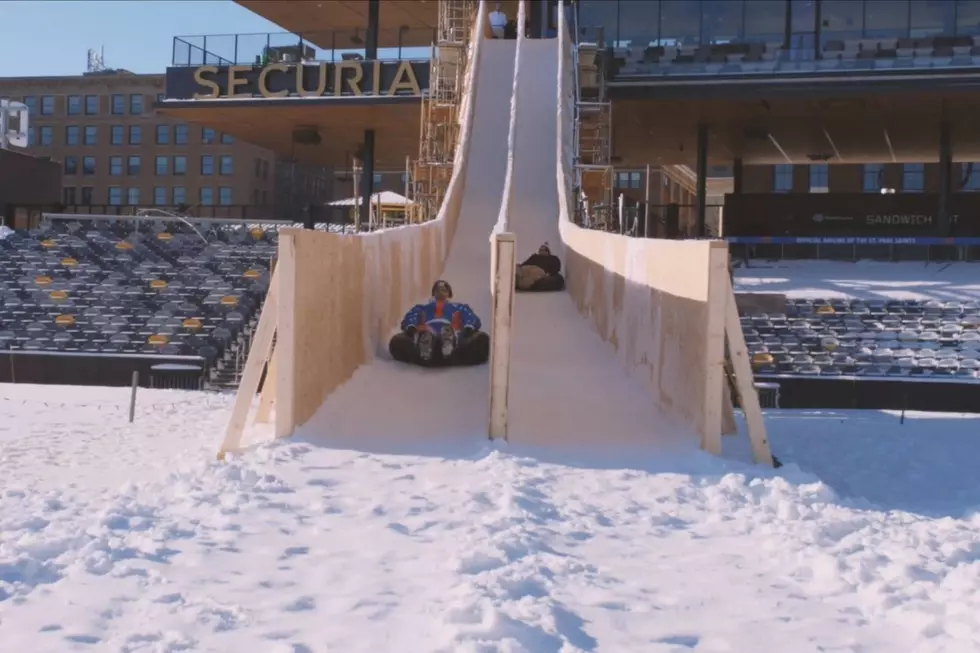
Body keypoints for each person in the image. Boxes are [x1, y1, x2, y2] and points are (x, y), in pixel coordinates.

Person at [389, 280, 490, 367]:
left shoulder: (458, 307)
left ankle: (448, 343)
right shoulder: (423, 308)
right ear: (433, 293)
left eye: (444, 290)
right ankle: (425, 347)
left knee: (479, 339)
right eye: (437, 290)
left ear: (448, 294)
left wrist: (469, 326)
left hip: (453, 331)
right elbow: (412, 316)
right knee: (402, 339)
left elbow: (469, 316)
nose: (440, 292)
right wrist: (410, 326)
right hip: (429, 329)